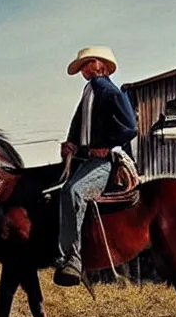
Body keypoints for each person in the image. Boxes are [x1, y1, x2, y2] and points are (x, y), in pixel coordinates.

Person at [54, 46, 137, 287]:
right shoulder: (89, 90)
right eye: (83, 66)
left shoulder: (106, 89)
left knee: (73, 191)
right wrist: (71, 143)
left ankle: (73, 259)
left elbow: (129, 127)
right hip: (85, 157)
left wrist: (107, 145)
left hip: (104, 161)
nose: (84, 70)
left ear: (99, 65)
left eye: (87, 64)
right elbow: (79, 126)